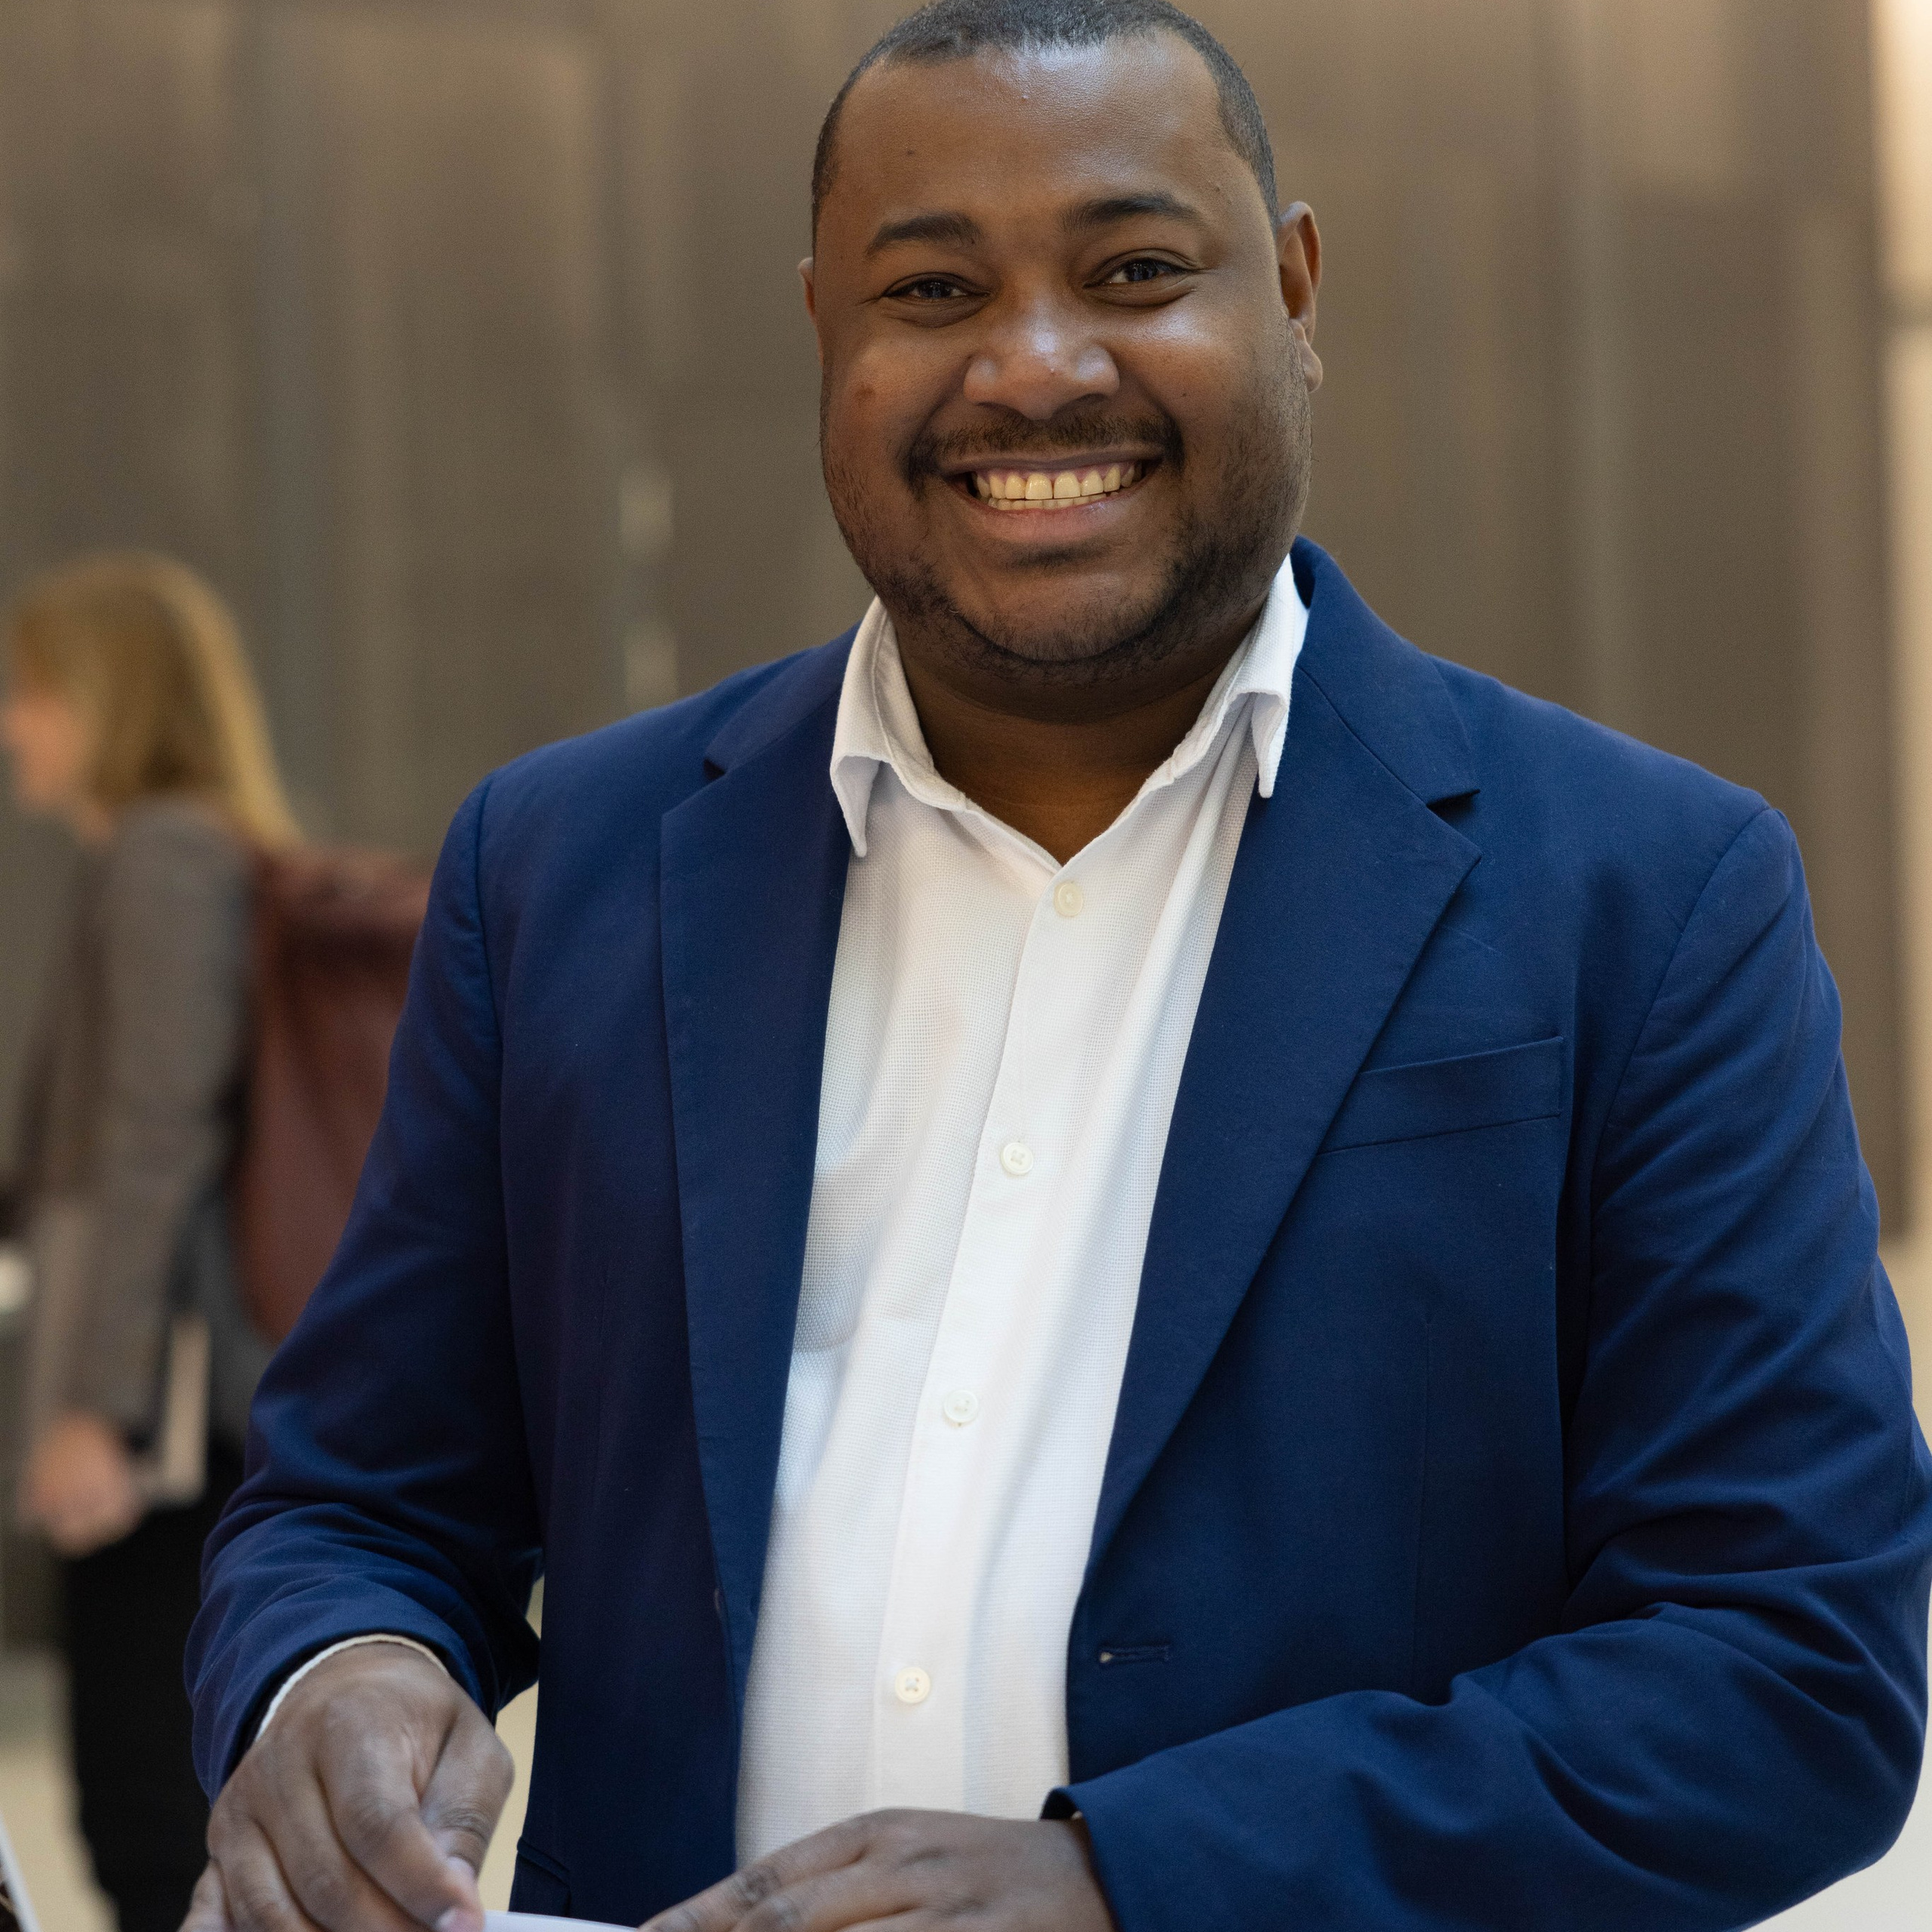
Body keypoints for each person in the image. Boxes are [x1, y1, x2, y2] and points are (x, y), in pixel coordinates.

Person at [186, 3, 1932, 1929]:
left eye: (1133, 270)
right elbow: (358, 1494)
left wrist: (1138, 1880)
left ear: (1290, 286)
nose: (1030, 367)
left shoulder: (1646, 893)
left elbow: (1782, 1669)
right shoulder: (561, 865)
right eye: (930, 289)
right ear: (825, 338)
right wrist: (333, 1665)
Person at [2, 553, 294, 1932]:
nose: (16, 725)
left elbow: (153, 1151)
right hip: (158, 1414)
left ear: (109, 698)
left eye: (36, 691)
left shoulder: (171, 858)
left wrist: (91, 1413)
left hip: (164, 1424)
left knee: (143, 1805)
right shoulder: (156, 856)